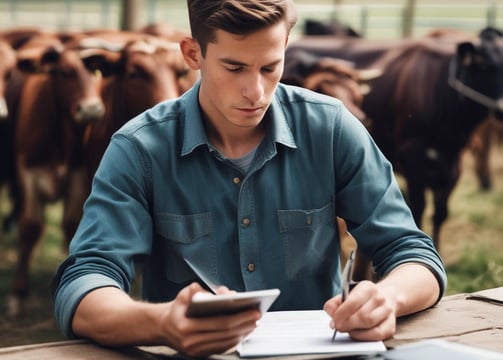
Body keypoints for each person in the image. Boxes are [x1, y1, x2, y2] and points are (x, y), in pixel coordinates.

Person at [53, 0, 447, 357]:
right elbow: (84, 284)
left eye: (270, 67)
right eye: (235, 67)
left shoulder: (331, 129)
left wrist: (387, 298)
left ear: (287, 45)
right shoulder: (138, 149)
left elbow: (415, 255)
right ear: (193, 54)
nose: (255, 91)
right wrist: (160, 324)